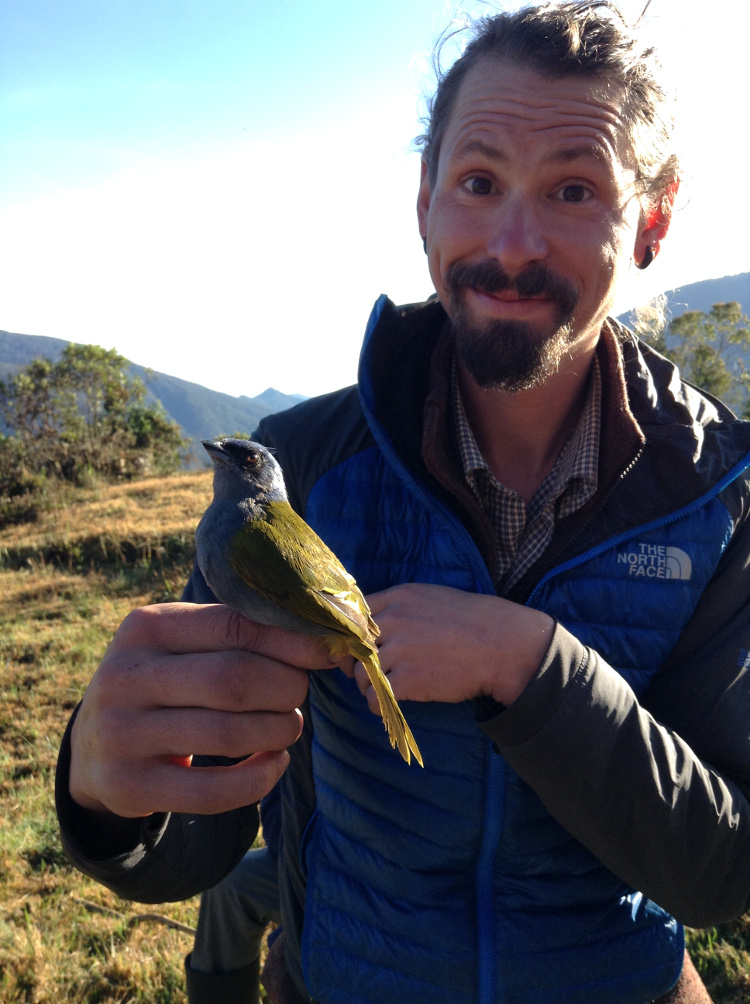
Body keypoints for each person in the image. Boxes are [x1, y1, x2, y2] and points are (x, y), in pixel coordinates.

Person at [54, 3, 750, 1002]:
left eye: (572, 189)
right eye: (478, 181)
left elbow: (723, 868)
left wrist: (532, 664)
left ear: (652, 218)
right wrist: (105, 786)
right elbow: (196, 841)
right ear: (425, 198)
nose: (511, 244)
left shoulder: (716, 500)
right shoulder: (304, 464)